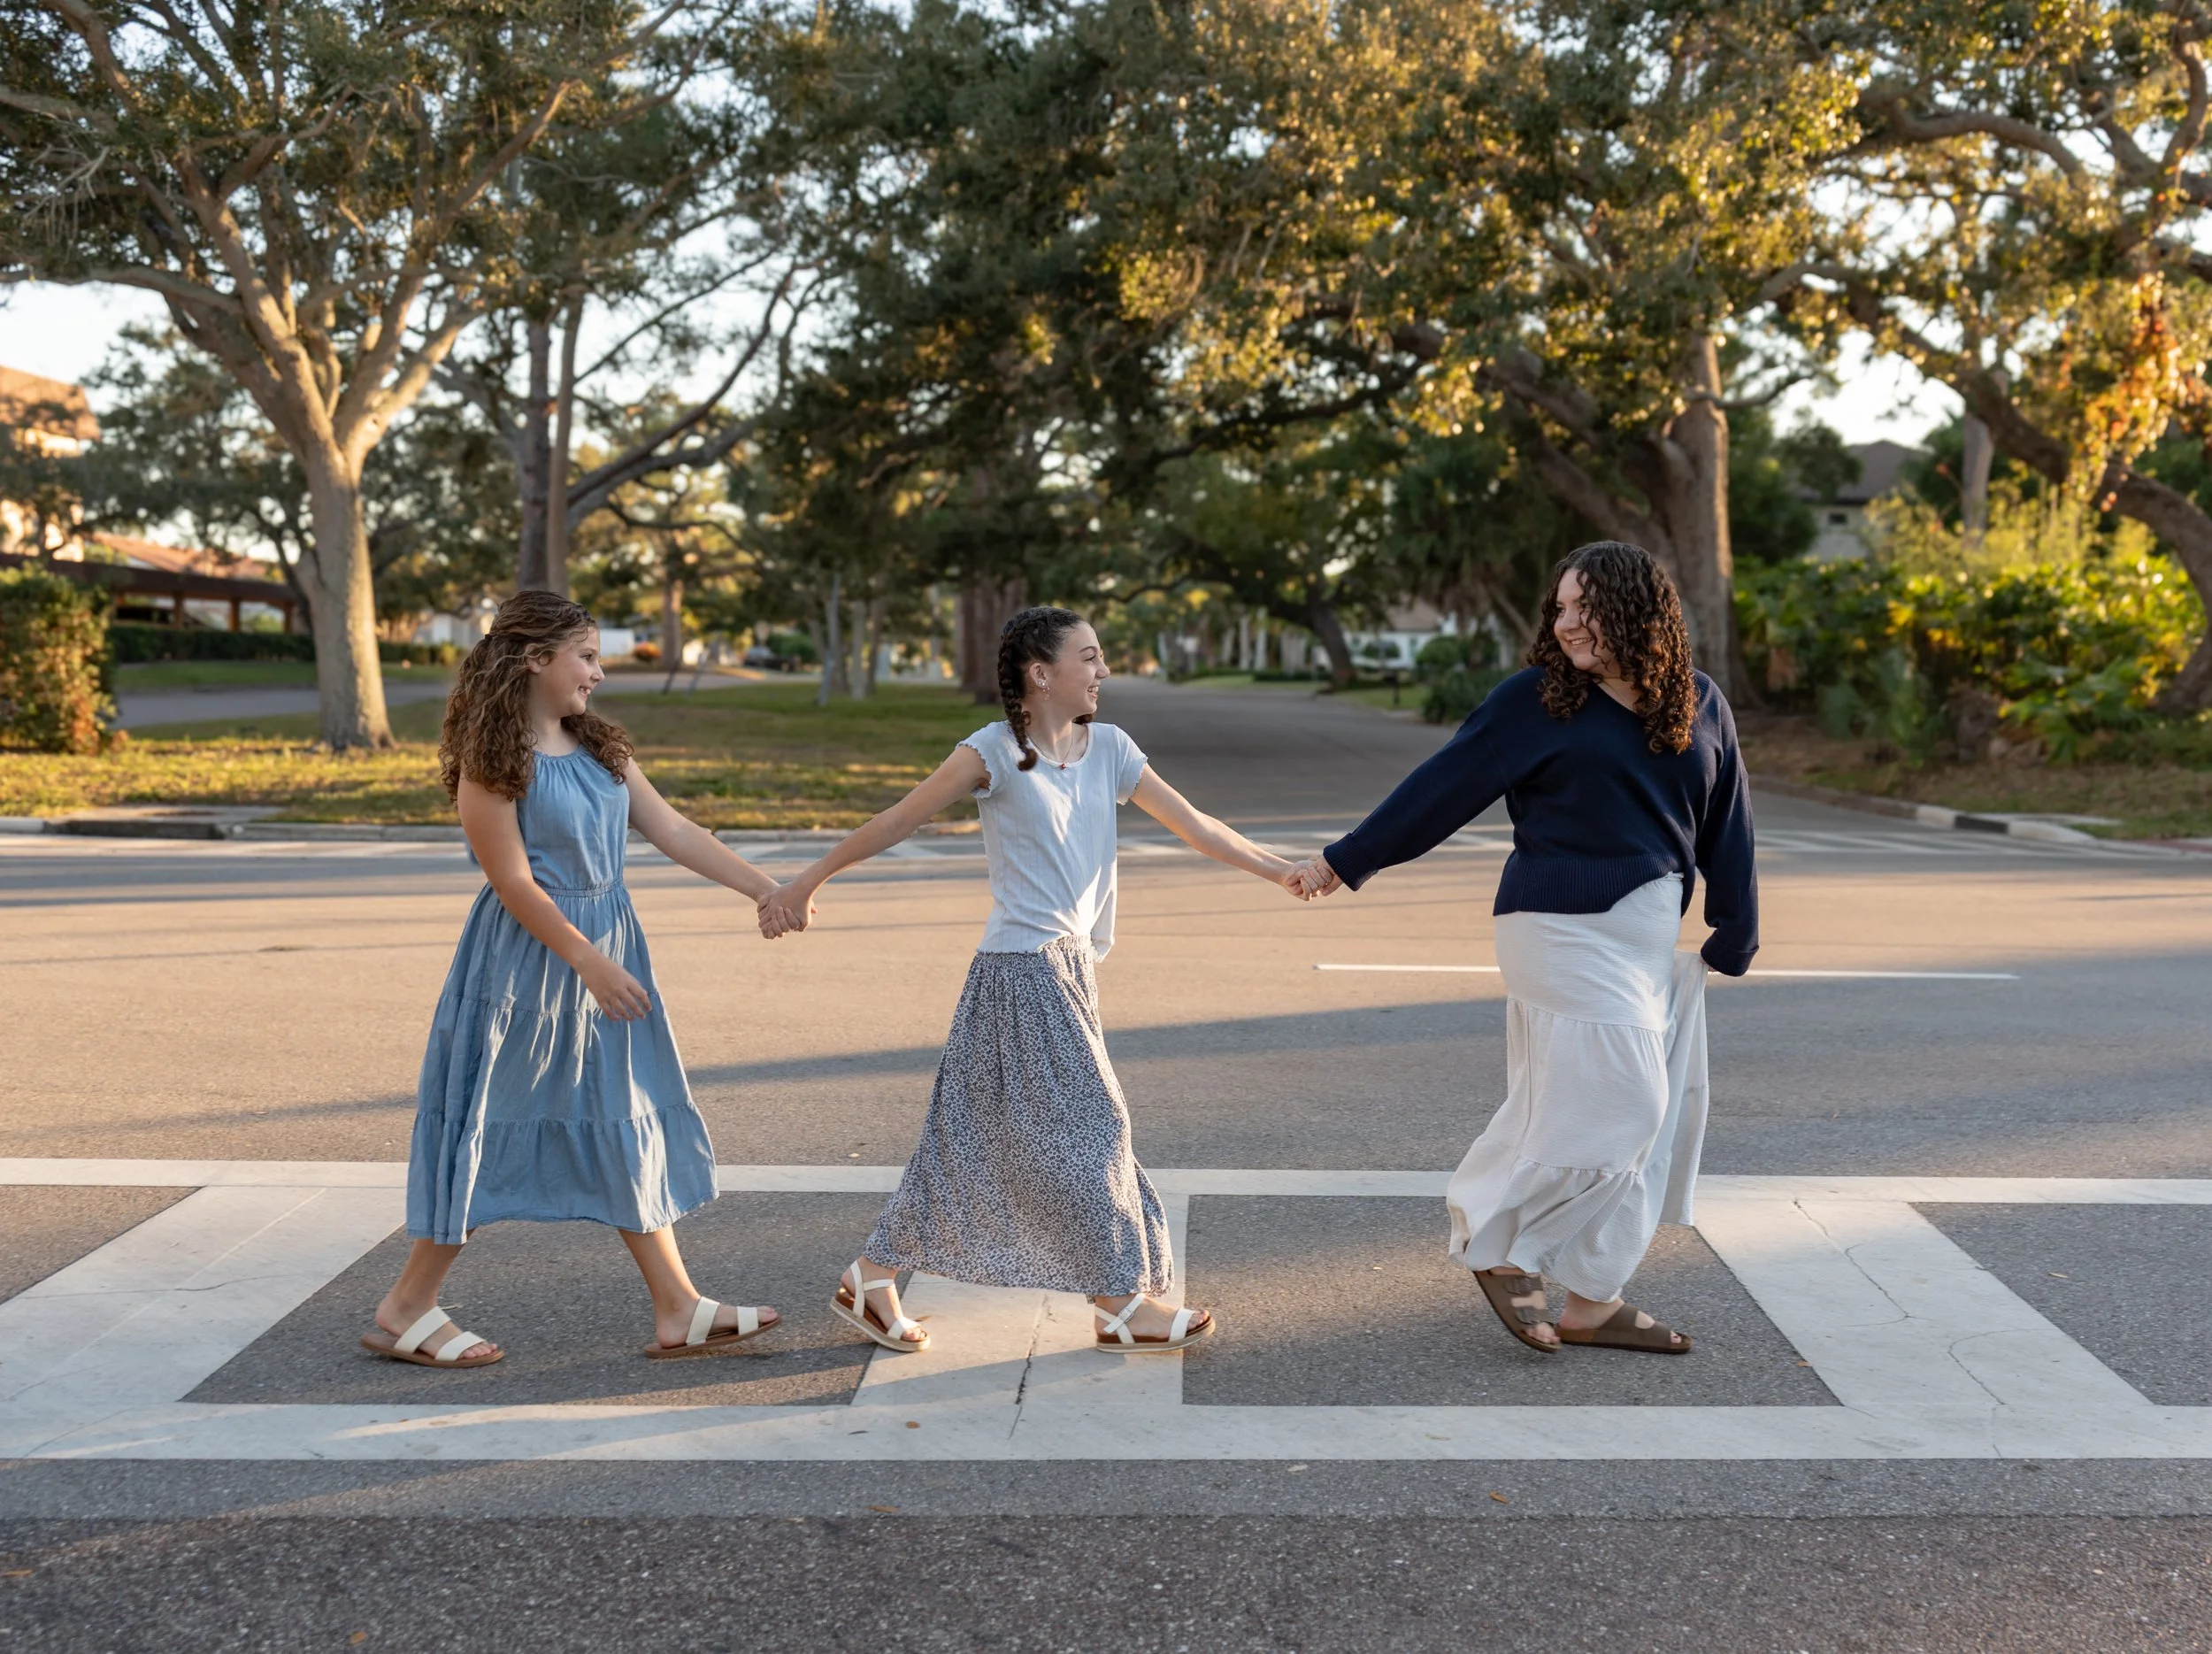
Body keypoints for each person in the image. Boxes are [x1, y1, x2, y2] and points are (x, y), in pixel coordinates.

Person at [757, 605, 1310, 1353]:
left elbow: (1197, 825)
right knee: (1096, 1127)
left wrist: (1278, 870)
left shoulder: (1110, 749)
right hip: (1022, 970)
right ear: (1040, 673)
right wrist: (807, 880)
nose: (1102, 671)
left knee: (968, 1142)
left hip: (1067, 968)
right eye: (1089, 656)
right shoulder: (989, 752)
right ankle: (1121, 1305)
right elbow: (897, 820)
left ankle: (870, 1279)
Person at [1294, 542, 1755, 1356]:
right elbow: (1439, 791)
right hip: (1557, 927)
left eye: (1584, 607)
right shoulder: (1536, 703)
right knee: (1624, 1105)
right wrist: (1345, 859)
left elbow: (1728, 824)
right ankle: (1500, 1245)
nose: (1565, 622)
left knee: (1627, 1120)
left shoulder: (1700, 703)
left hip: (1647, 943)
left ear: (1636, 612)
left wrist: (1736, 927)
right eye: (1561, 607)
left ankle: (1592, 1298)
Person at [361, 591, 787, 1369]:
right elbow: (515, 884)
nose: (598, 672)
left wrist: (763, 887)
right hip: (529, 965)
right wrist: (586, 959)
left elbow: (675, 830)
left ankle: (677, 1304)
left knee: (617, 1115)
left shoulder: (601, 749)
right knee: (491, 1125)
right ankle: (406, 1304)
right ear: (535, 660)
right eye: (586, 656)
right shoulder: (494, 764)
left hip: (604, 959)